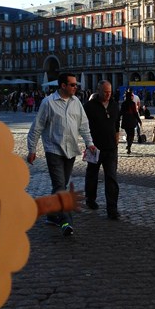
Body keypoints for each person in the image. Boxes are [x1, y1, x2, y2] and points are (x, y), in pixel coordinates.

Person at [27, 72, 96, 236]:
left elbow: (84, 125)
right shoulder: (48, 103)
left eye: (76, 84)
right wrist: (32, 149)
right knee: (60, 186)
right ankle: (65, 221)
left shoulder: (76, 102)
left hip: (70, 149)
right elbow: (37, 127)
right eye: (72, 84)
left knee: (61, 185)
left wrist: (90, 143)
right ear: (63, 85)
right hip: (54, 149)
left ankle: (51, 215)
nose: (75, 87)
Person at [83, 80, 121, 220]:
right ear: (98, 90)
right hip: (94, 147)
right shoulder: (89, 106)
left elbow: (117, 123)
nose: (108, 94)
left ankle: (112, 209)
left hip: (111, 148)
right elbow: (83, 126)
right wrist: (88, 144)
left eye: (110, 92)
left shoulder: (114, 105)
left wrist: (117, 135)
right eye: (105, 92)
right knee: (92, 175)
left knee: (111, 178)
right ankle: (90, 199)